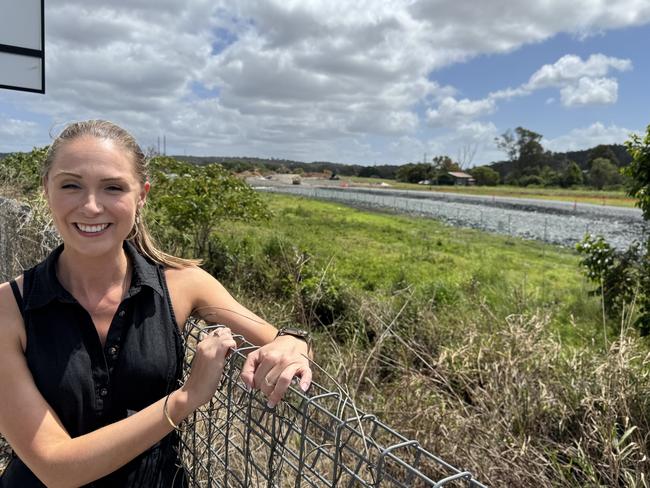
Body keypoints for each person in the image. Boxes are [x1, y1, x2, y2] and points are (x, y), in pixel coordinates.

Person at [0, 120, 313, 487]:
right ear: (46, 190)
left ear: (142, 195)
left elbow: (274, 336)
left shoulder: (182, 285)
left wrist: (294, 343)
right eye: (71, 185)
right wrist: (186, 399)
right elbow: (54, 467)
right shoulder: (9, 308)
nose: (90, 206)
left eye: (113, 187)